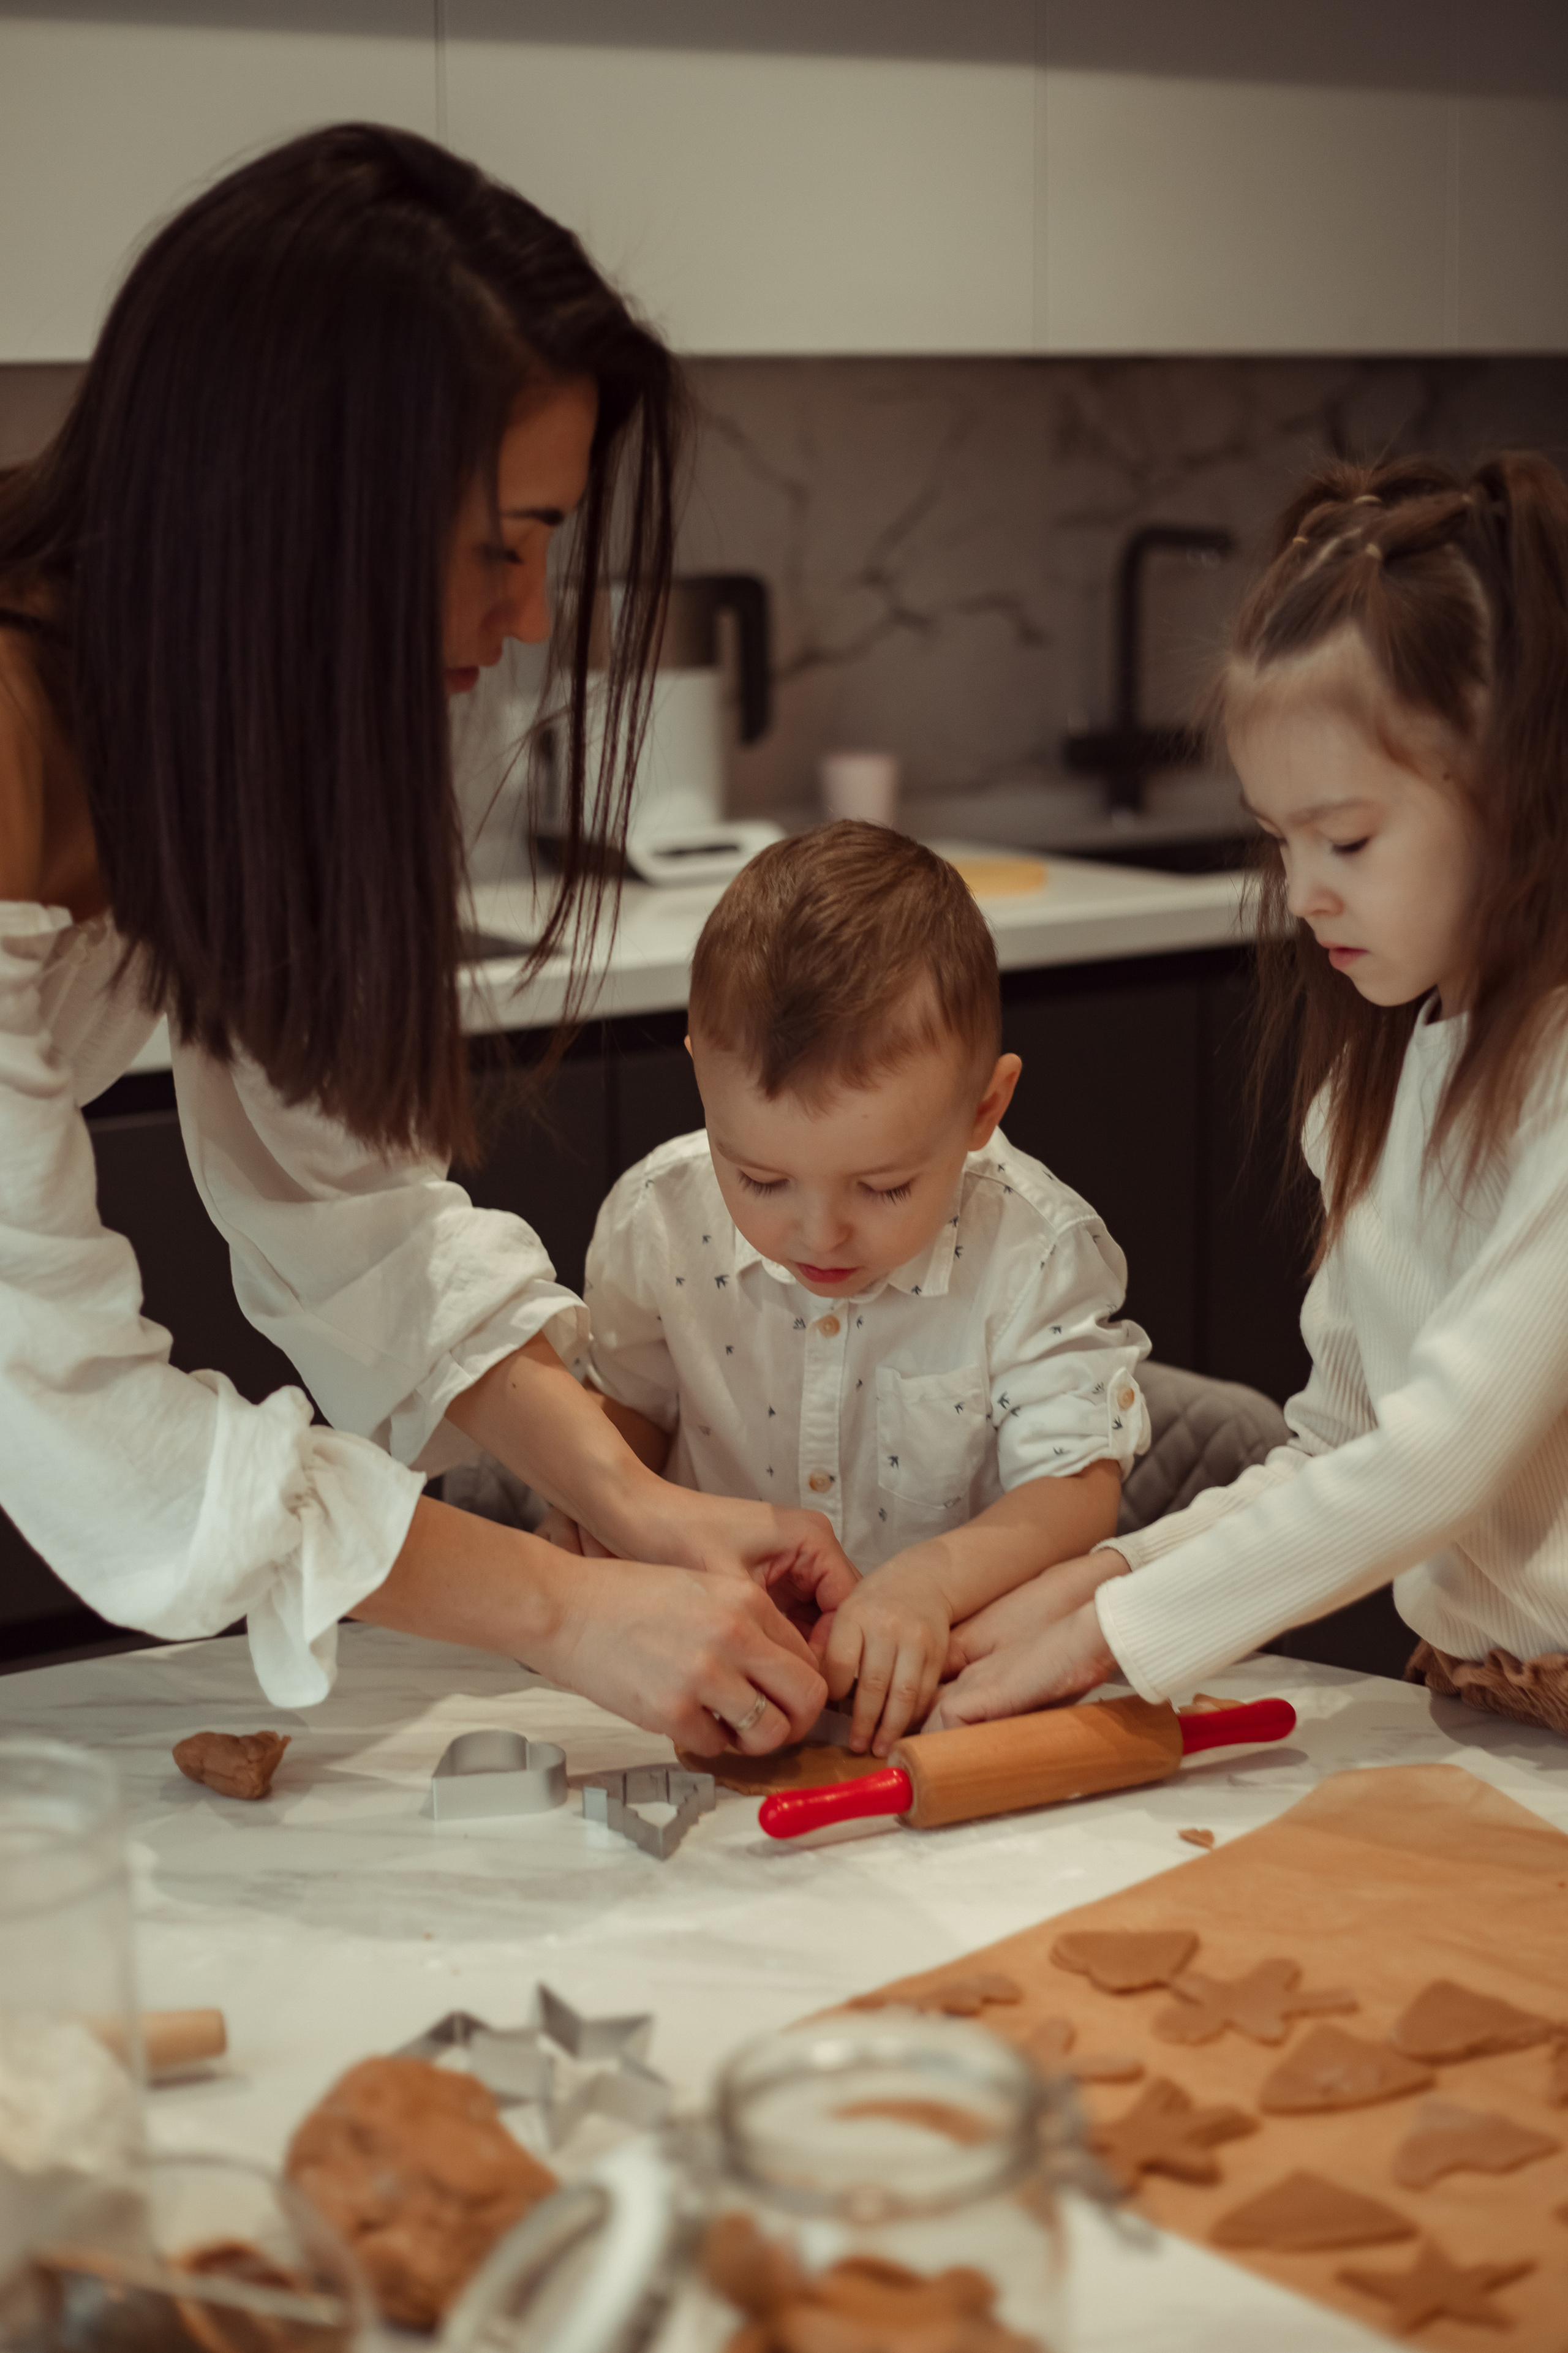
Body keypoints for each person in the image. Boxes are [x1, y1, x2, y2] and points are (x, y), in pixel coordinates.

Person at [0, 123, 853, 1753]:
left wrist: (629, 1503)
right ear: (297, 506)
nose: (528, 618)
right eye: (500, 544)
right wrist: (565, 1609)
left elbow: (350, 1213)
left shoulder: (205, 710)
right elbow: (70, 1413)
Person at [927, 451, 1568, 1740]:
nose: (1302, 892)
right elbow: (1341, 1445)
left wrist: (1110, 1634)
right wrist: (1102, 1577)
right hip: (1485, 1707)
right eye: (1279, 840)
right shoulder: (1371, 1087)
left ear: (1522, 792)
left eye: (1347, 839)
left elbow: (1436, 1457)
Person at [544, 823, 1150, 1754]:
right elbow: (632, 1420)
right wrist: (590, 1516)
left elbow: (1075, 1490)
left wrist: (929, 1584)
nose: (819, 1233)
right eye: (761, 1179)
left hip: (949, 1704)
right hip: (713, 1687)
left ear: (984, 1107)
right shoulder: (656, 1219)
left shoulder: (1033, 1250)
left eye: (884, 1188)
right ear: (702, 1074)